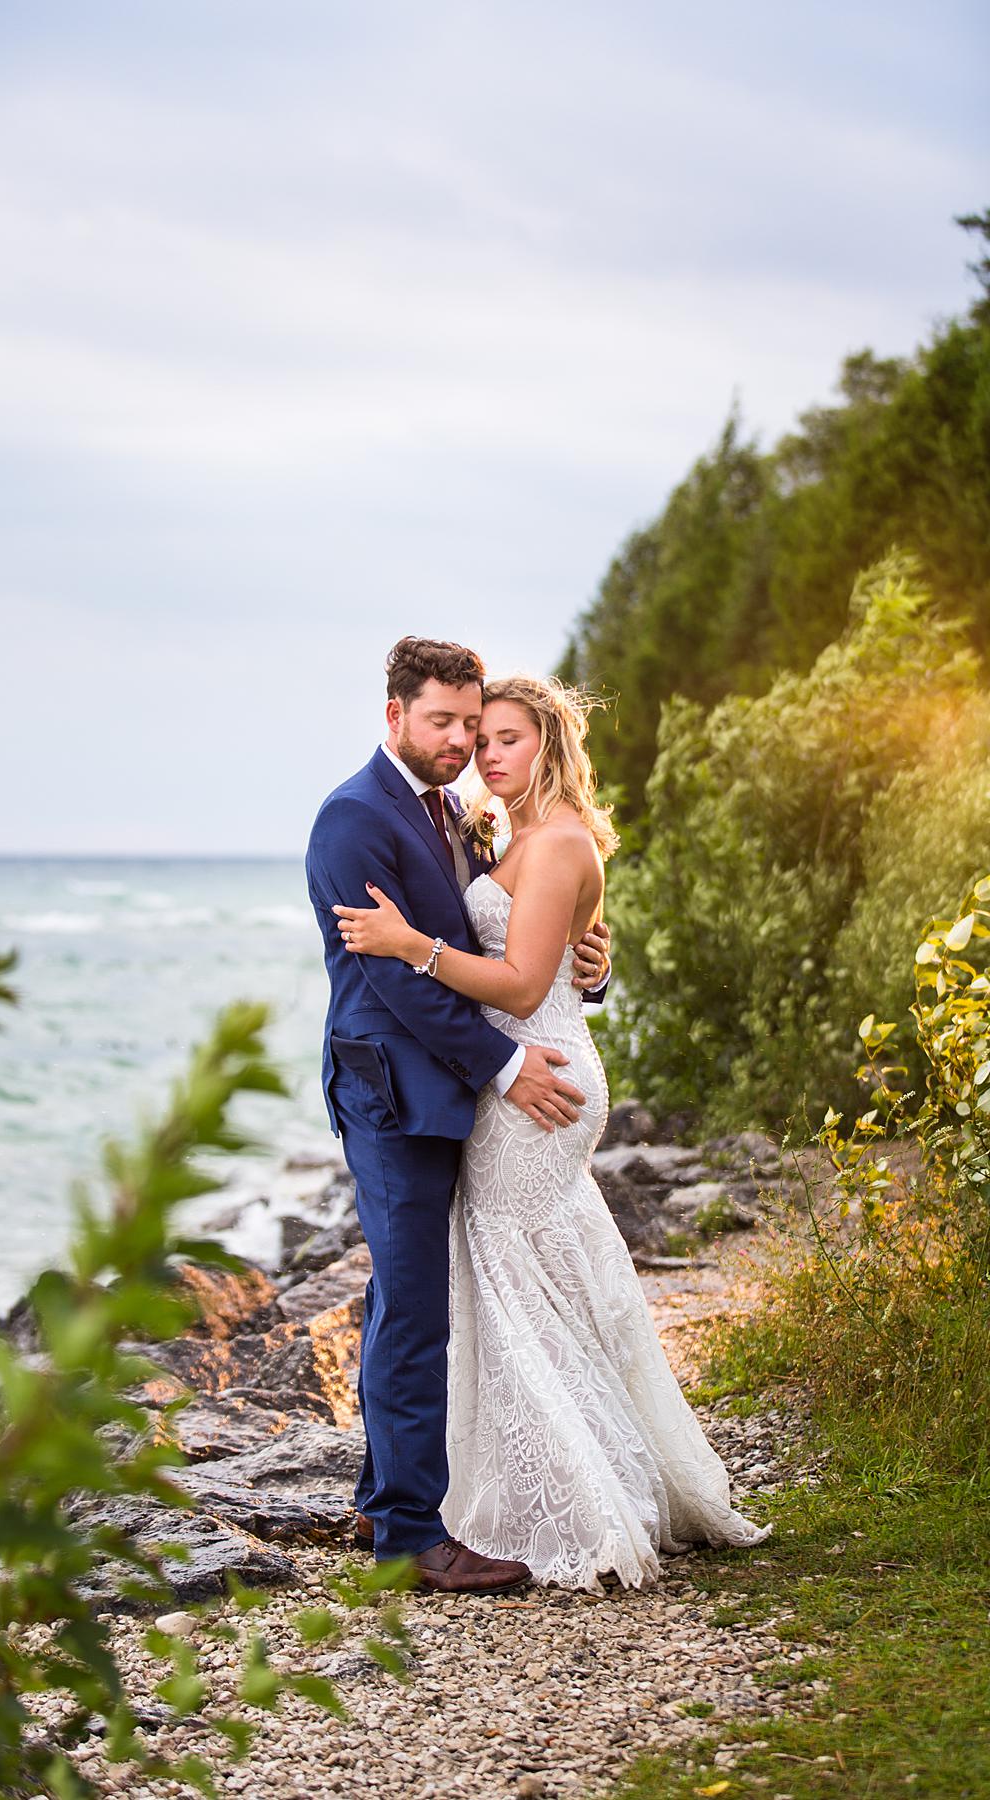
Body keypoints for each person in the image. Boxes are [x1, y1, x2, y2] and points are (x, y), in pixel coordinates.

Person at [334, 672, 770, 1591]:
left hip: (537, 1085)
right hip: (505, 1080)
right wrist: (587, 972)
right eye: (467, 733)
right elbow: (552, 956)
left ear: (549, 745)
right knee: (517, 1275)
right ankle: (439, 1499)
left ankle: (549, 1495)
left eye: (499, 737)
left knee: (499, 1274)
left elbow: (527, 984)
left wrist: (415, 946)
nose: (480, 752)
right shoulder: (471, 825)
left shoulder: (552, 836)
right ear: (400, 718)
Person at [305, 638, 611, 1595]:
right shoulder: (354, 820)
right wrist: (507, 1062)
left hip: (453, 1091)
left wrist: (589, 966)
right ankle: (407, 1535)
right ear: (393, 714)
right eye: (442, 722)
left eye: (472, 726)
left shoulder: (463, 816)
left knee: (404, 1300)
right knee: (416, 1310)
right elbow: (392, 979)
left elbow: (525, 937)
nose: (461, 742)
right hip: (394, 1095)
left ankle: (379, 1498)